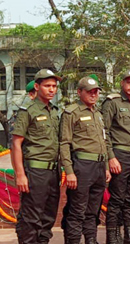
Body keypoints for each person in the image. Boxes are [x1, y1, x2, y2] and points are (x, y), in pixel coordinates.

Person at [11, 69, 62, 244]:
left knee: (48, 217)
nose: (51, 90)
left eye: (54, 86)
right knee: (31, 217)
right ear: (37, 86)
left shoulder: (54, 111)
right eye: (47, 86)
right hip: (35, 171)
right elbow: (16, 143)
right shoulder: (28, 111)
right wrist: (20, 175)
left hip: (53, 172)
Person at [60, 77, 110, 244]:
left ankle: (91, 240)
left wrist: (107, 167)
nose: (93, 94)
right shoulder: (71, 113)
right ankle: (73, 242)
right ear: (79, 92)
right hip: (82, 166)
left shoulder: (98, 113)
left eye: (96, 91)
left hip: (99, 166)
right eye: (89, 91)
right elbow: (65, 143)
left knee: (93, 209)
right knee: (77, 209)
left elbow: (104, 141)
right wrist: (69, 172)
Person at [102, 70, 130, 244]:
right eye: (129, 83)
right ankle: (112, 236)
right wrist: (111, 158)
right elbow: (104, 132)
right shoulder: (112, 102)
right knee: (117, 198)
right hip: (120, 155)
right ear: (122, 83)